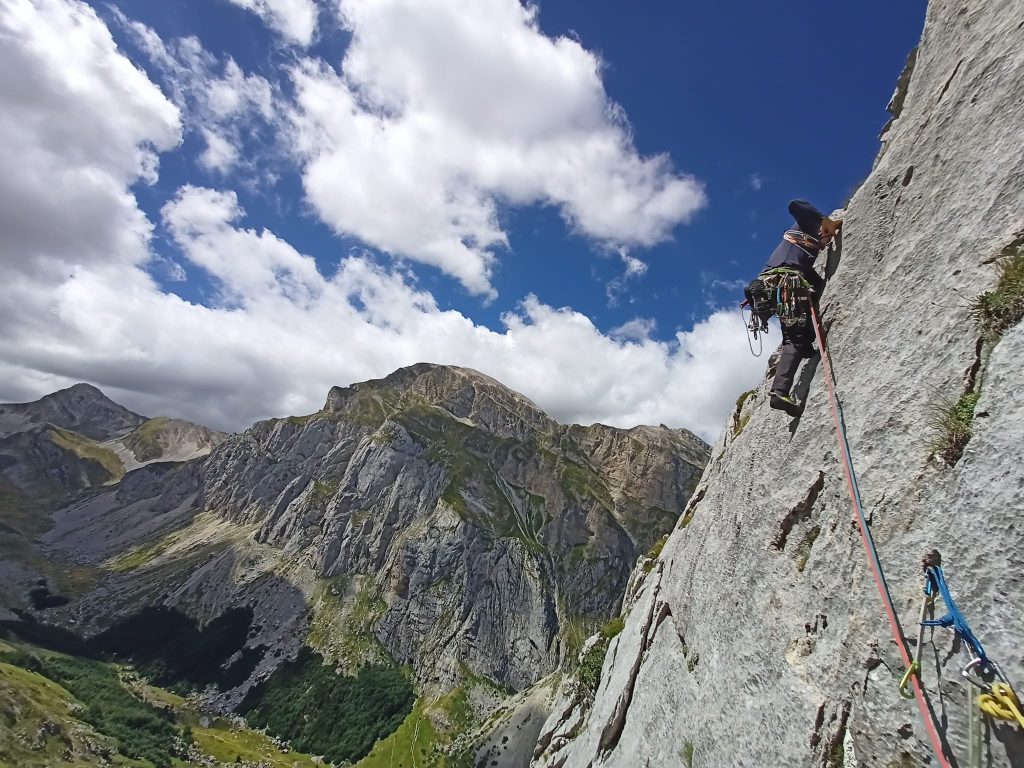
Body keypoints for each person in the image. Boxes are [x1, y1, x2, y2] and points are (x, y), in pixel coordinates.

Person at [761, 200, 842, 416]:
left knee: (794, 336)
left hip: (775, 286)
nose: (825, 244)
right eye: (826, 238)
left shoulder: (799, 252)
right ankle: (779, 392)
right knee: (795, 339)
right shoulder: (807, 226)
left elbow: (811, 277)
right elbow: (795, 205)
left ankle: (802, 348)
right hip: (785, 282)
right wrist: (826, 221)